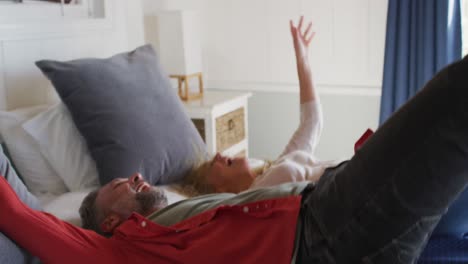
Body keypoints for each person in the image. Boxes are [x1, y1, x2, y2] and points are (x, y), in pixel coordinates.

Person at [1, 16, 468, 263]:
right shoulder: (120, 252)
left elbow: (310, 125)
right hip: (322, 229)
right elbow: (21, 214)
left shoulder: (181, 214)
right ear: (108, 225)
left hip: (333, 218)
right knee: (455, 96)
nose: (138, 176)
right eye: (121, 185)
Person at [183, 17, 342, 195]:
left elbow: (312, 122)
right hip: (347, 189)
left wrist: (302, 58)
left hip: (348, 174)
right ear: (217, 189)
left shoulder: (272, 170)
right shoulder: (257, 196)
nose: (219, 155)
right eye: (213, 164)